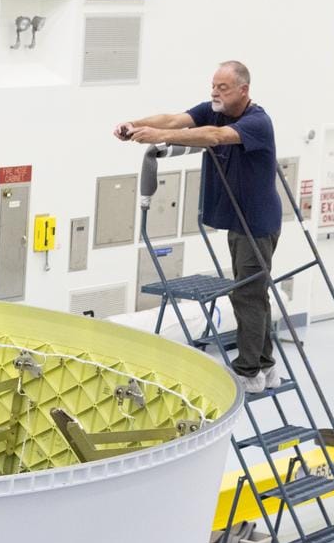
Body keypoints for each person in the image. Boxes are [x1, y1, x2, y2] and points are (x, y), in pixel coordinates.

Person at [114, 60, 280, 393]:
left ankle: (249, 371)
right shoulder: (214, 109)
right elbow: (175, 119)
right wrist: (136, 124)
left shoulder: (256, 122)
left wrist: (161, 137)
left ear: (243, 90)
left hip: (256, 223)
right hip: (237, 220)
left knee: (247, 294)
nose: (215, 93)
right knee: (253, 292)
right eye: (214, 87)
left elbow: (215, 137)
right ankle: (266, 366)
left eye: (224, 88)